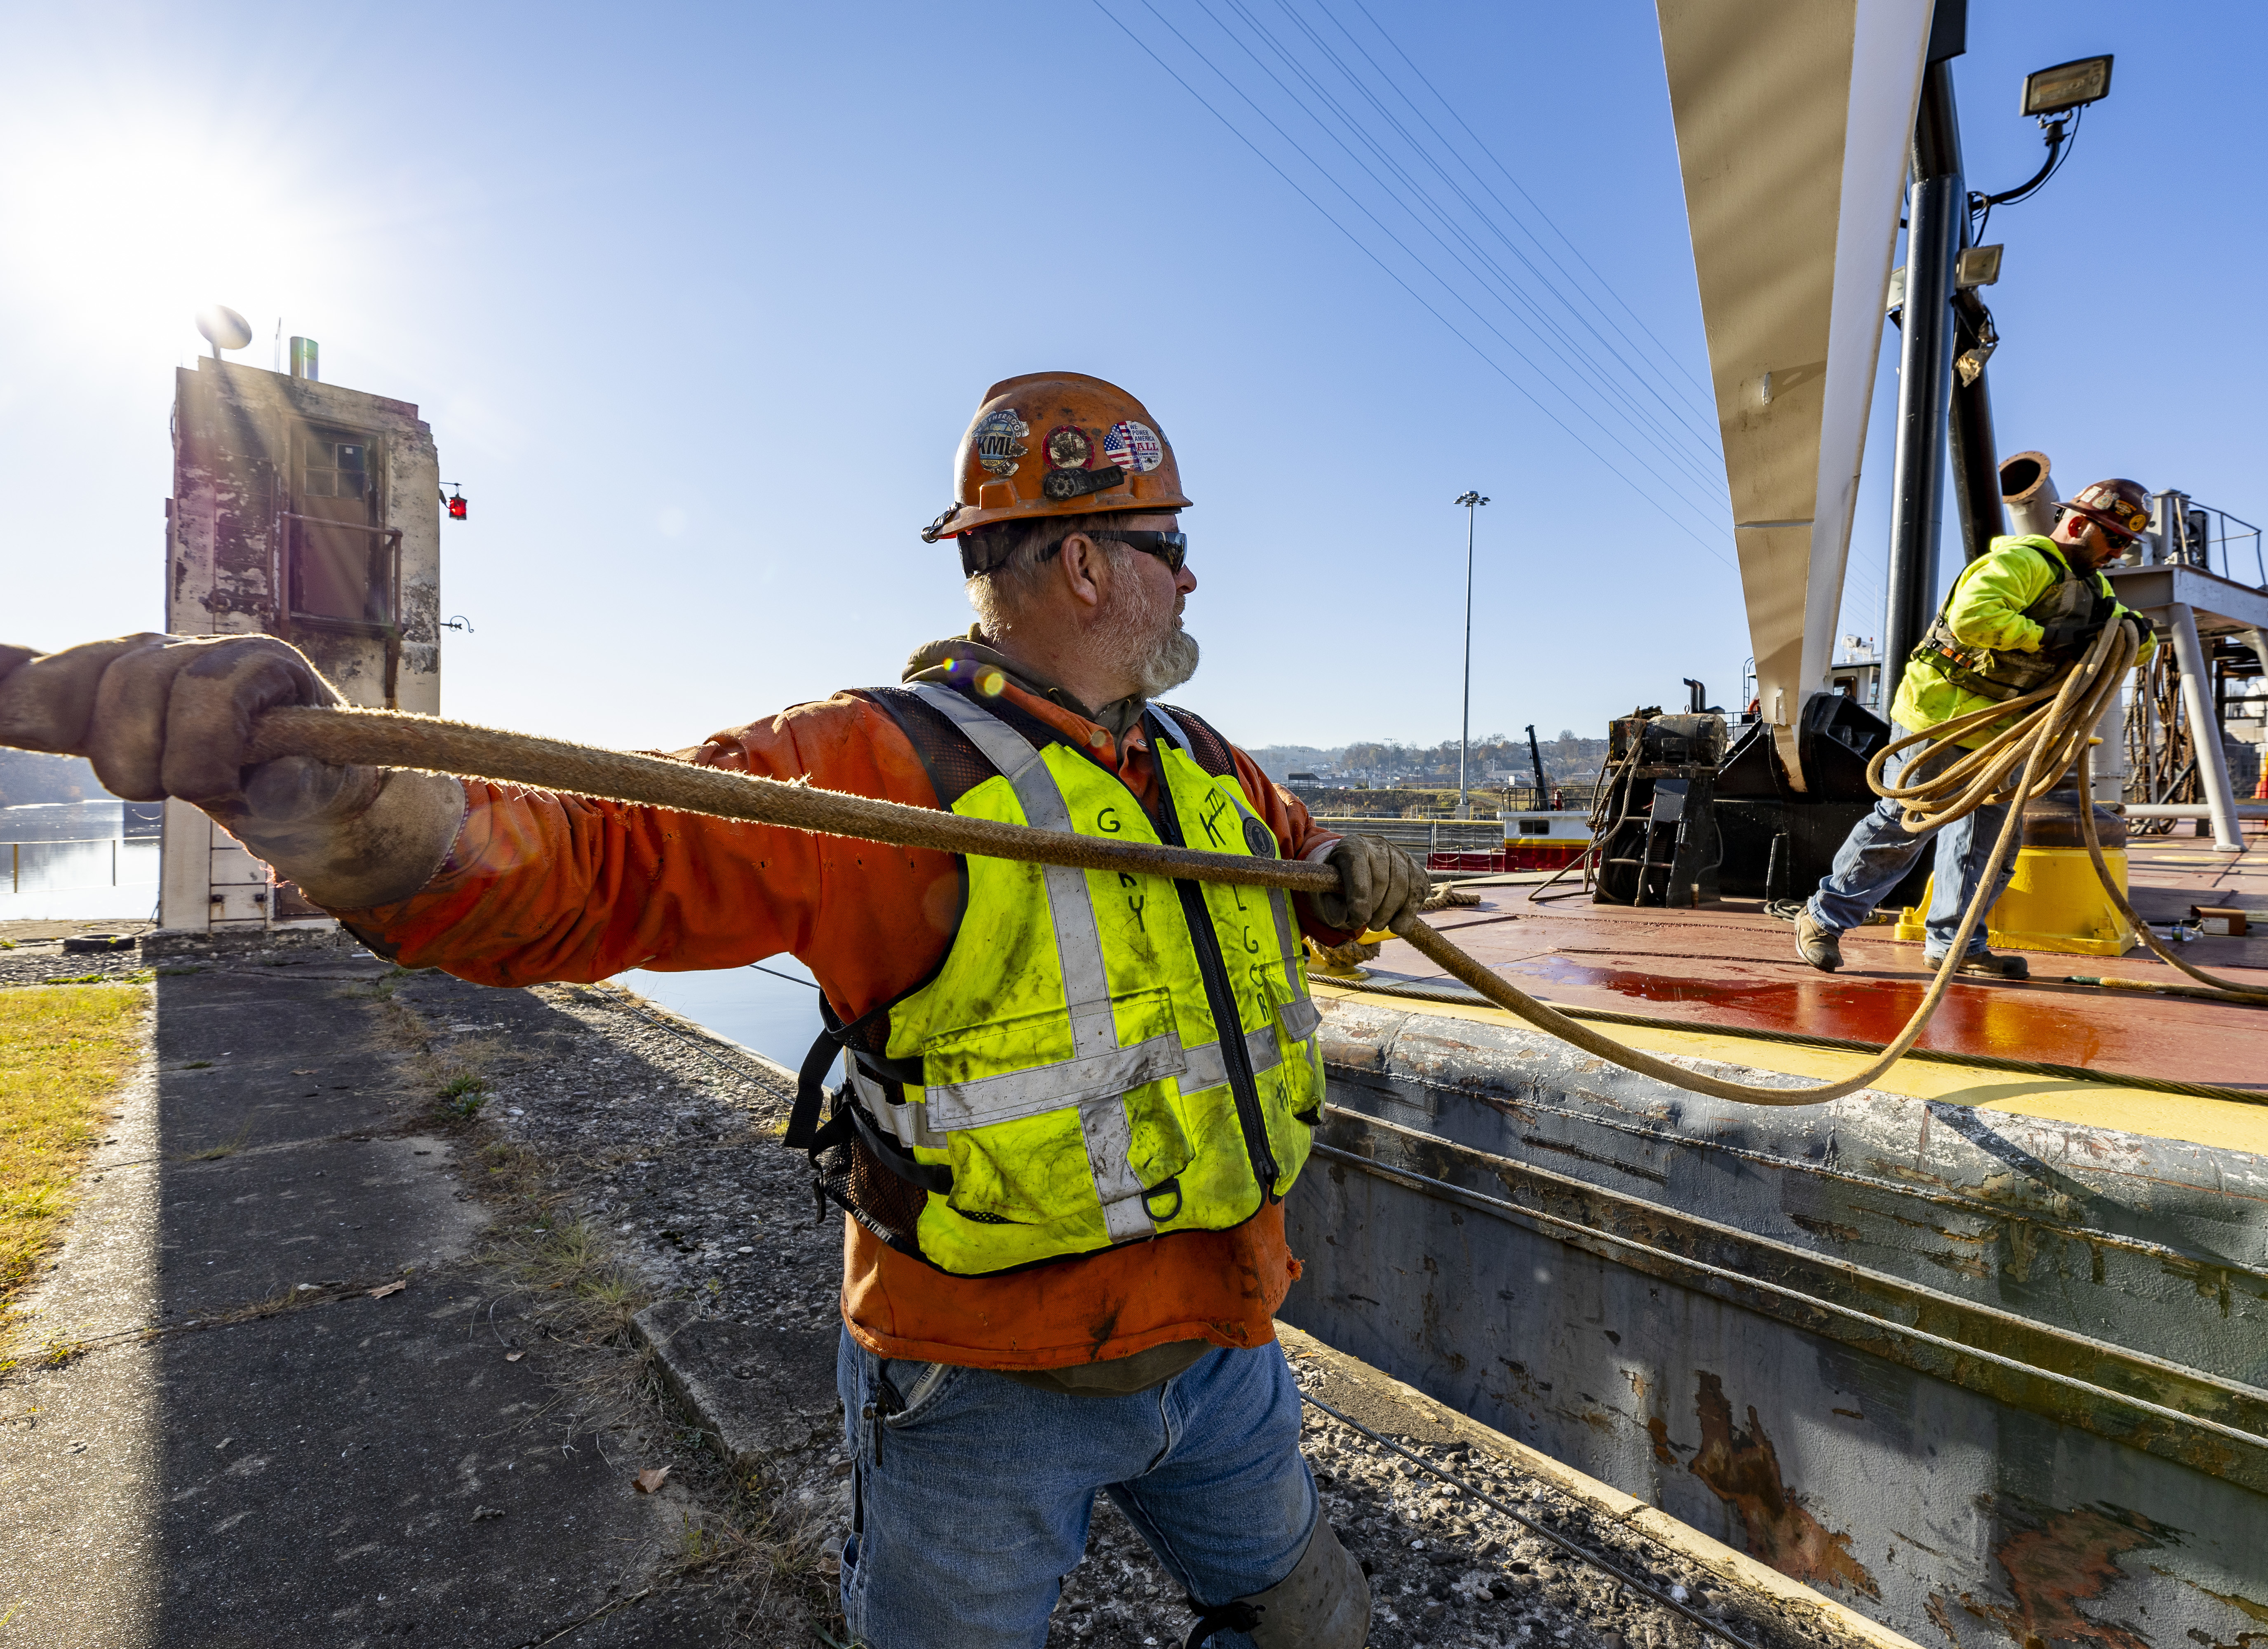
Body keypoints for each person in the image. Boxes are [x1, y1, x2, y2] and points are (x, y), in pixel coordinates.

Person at [0, 371, 1424, 1649]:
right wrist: (335, 805)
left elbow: (1292, 890)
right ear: (1083, 563)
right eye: (1171, 546)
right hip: (988, 1391)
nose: (1194, 579)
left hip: (1230, 1352)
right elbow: (608, 856)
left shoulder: (1215, 772)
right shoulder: (880, 771)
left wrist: (1356, 886)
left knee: (1314, 1619)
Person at [1794, 479, 2158, 978]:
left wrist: (2140, 633)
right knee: (1904, 826)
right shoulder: (2023, 562)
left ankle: (1957, 945)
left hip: (2003, 738)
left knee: (1985, 847)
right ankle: (1823, 918)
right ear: (2077, 524)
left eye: (2126, 545)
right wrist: (2051, 637)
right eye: (2114, 540)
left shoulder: (2098, 593)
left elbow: (2129, 642)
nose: (2117, 553)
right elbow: (1975, 618)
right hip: (1943, 718)